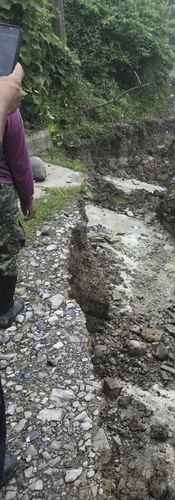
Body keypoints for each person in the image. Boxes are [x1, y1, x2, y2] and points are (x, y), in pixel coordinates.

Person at [0, 63, 31, 487]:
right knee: (7, 255)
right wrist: (27, 199)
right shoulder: (8, 109)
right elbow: (21, 162)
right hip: (2, 193)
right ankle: (5, 306)